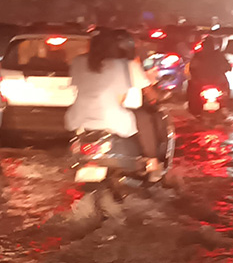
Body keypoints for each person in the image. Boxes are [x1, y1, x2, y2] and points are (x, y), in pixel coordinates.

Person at [65, 29, 162, 178]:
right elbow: (149, 94)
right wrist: (155, 97)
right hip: (111, 118)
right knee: (145, 118)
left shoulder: (78, 61)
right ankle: (152, 162)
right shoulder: (125, 64)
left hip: (79, 117)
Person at [188, 36, 232, 115]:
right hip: (210, 82)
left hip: (206, 82)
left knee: (192, 89)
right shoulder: (218, 55)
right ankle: (224, 106)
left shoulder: (198, 55)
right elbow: (227, 67)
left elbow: (192, 68)